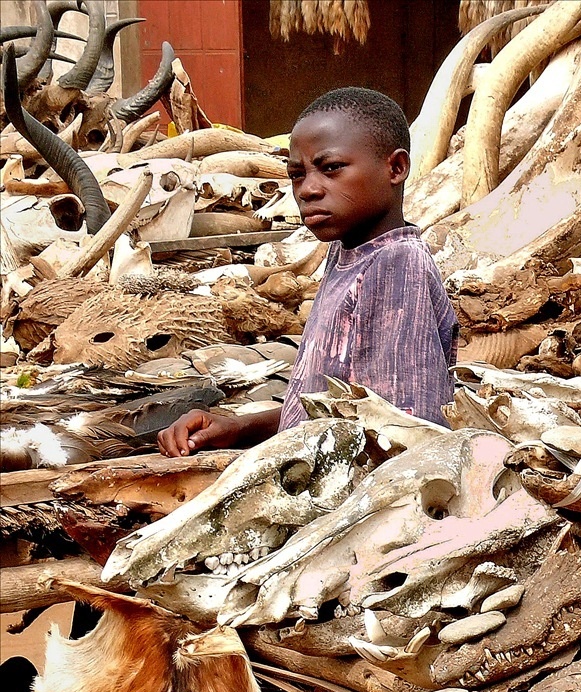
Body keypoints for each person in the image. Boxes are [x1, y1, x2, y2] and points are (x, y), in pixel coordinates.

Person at [158, 87, 456, 457]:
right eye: (297, 174)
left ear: (395, 168)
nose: (308, 190)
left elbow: (398, 436)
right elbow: (334, 410)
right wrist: (237, 426)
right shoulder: (348, 252)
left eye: (331, 168)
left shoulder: (396, 265)